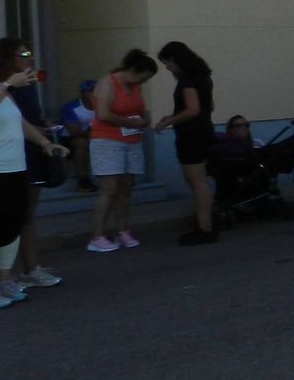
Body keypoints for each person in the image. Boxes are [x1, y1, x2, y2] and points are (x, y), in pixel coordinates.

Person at [0, 65, 69, 308]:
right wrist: (10, 85)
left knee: (12, 225)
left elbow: (21, 122)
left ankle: (3, 280)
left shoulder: (2, 90)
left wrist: (45, 143)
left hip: (15, 167)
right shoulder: (5, 88)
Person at [87, 49, 157, 253]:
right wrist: (129, 122)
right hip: (107, 139)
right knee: (109, 188)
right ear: (133, 70)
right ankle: (97, 235)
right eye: (141, 78)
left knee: (126, 186)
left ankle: (123, 230)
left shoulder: (135, 86)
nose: (142, 83)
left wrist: (144, 120)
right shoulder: (108, 83)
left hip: (131, 140)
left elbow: (141, 109)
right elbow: (103, 113)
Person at [153, 41, 218, 245]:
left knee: (197, 182)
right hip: (204, 130)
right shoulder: (204, 77)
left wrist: (168, 121)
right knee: (199, 181)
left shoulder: (187, 80)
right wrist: (175, 116)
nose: (167, 67)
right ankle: (206, 223)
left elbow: (192, 110)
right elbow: (209, 106)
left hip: (191, 135)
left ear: (175, 59)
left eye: (167, 63)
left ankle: (204, 227)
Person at [58, 79, 97, 191]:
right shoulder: (70, 107)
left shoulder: (103, 105)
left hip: (96, 138)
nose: (94, 94)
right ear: (82, 93)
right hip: (69, 141)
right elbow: (75, 132)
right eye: (90, 91)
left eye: (97, 91)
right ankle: (83, 180)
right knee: (81, 142)